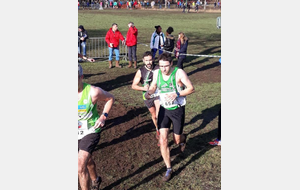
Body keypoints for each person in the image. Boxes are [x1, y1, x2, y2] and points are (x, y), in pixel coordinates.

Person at [145, 52, 195, 182]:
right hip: (164, 109)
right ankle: (168, 168)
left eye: (165, 66)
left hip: (177, 110)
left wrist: (177, 94)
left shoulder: (179, 73)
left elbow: (191, 88)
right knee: (163, 140)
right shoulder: (157, 73)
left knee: (176, 140)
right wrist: (149, 92)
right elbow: (154, 85)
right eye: (161, 66)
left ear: (171, 64)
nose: (163, 69)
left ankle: (183, 139)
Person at [78, 64, 115, 190]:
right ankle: (95, 180)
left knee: (80, 165)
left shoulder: (93, 92)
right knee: (87, 161)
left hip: (90, 130)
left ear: (81, 77)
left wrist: (103, 116)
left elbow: (110, 98)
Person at [132, 51, 160, 144]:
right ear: (143, 61)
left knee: (159, 114)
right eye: (146, 60)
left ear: (153, 59)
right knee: (154, 116)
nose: (148, 62)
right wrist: (143, 88)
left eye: (150, 60)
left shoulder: (158, 68)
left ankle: (162, 133)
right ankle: (157, 129)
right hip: (147, 96)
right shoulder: (140, 71)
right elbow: (133, 86)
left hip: (158, 95)